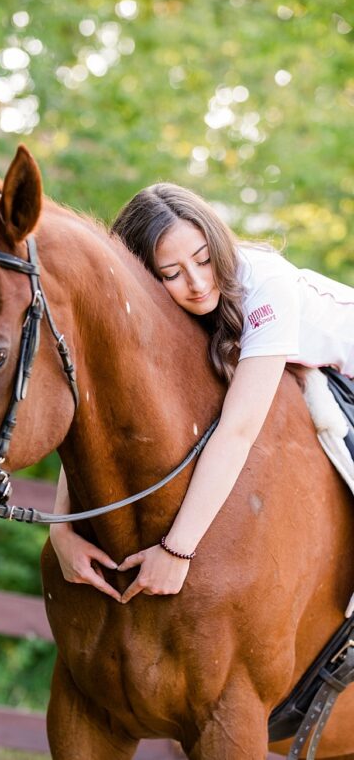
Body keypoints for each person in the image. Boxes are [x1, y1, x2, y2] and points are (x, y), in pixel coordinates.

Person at [49, 183, 354, 607]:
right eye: (171, 274)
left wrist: (177, 551)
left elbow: (238, 430)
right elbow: (101, 415)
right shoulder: (159, 311)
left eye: (204, 259)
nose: (196, 283)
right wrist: (60, 529)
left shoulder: (266, 286)